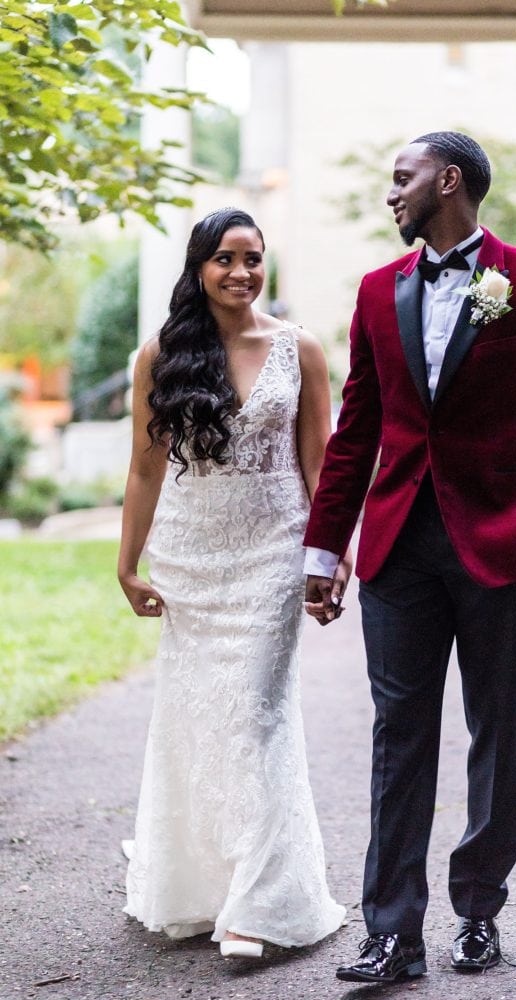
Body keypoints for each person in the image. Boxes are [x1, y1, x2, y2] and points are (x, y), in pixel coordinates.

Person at [303, 132, 516, 981]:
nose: (390, 195)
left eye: (401, 179)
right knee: (396, 736)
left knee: (496, 731)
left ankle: (477, 910)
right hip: (398, 550)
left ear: (447, 181)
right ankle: (391, 933)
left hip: (500, 544)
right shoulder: (378, 292)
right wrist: (323, 546)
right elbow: (356, 431)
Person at [118, 207, 346, 959]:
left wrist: (330, 552)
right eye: (224, 258)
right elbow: (147, 466)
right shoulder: (159, 355)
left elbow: (320, 462)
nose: (241, 272)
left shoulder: (299, 348)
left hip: (273, 554)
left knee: (256, 712)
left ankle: (259, 904)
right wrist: (128, 562)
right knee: (198, 718)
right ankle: (199, 883)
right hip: (192, 557)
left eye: (252, 257)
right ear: (199, 267)